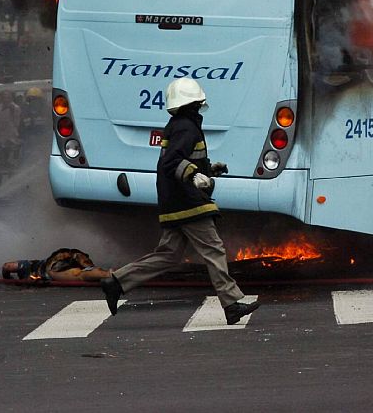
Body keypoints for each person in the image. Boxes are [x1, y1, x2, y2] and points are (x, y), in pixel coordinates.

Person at [100, 78, 259, 325]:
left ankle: (117, 281)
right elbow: (172, 162)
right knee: (213, 249)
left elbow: (181, 158)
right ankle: (231, 303)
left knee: (169, 255)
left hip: (174, 201)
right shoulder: (187, 126)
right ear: (194, 103)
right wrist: (194, 175)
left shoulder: (178, 125)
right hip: (188, 202)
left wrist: (208, 169)